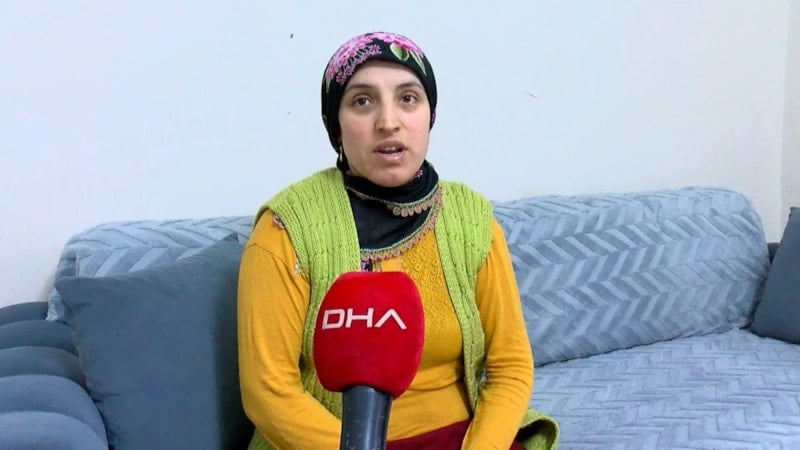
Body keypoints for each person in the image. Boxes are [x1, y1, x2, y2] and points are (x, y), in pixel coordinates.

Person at [237, 31, 559, 450]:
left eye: (408, 98)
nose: (388, 122)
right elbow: (268, 392)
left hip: (464, 438)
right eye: (362, 101)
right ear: (335, 123)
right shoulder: (287, 227)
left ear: (429, 114)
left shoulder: (472, 219)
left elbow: (510, 366)